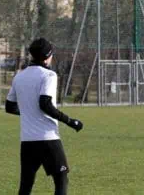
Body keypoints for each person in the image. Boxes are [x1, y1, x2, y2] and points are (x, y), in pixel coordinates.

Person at [5, 38, 84, 195]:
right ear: (48, 55)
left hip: (27, 140)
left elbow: (9, 107)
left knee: (26, 185)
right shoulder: (48, 75)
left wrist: (27, 112)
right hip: (47, 138)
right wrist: (70, 121)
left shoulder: (19, 77)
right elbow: (45, 104)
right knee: (61, 178)